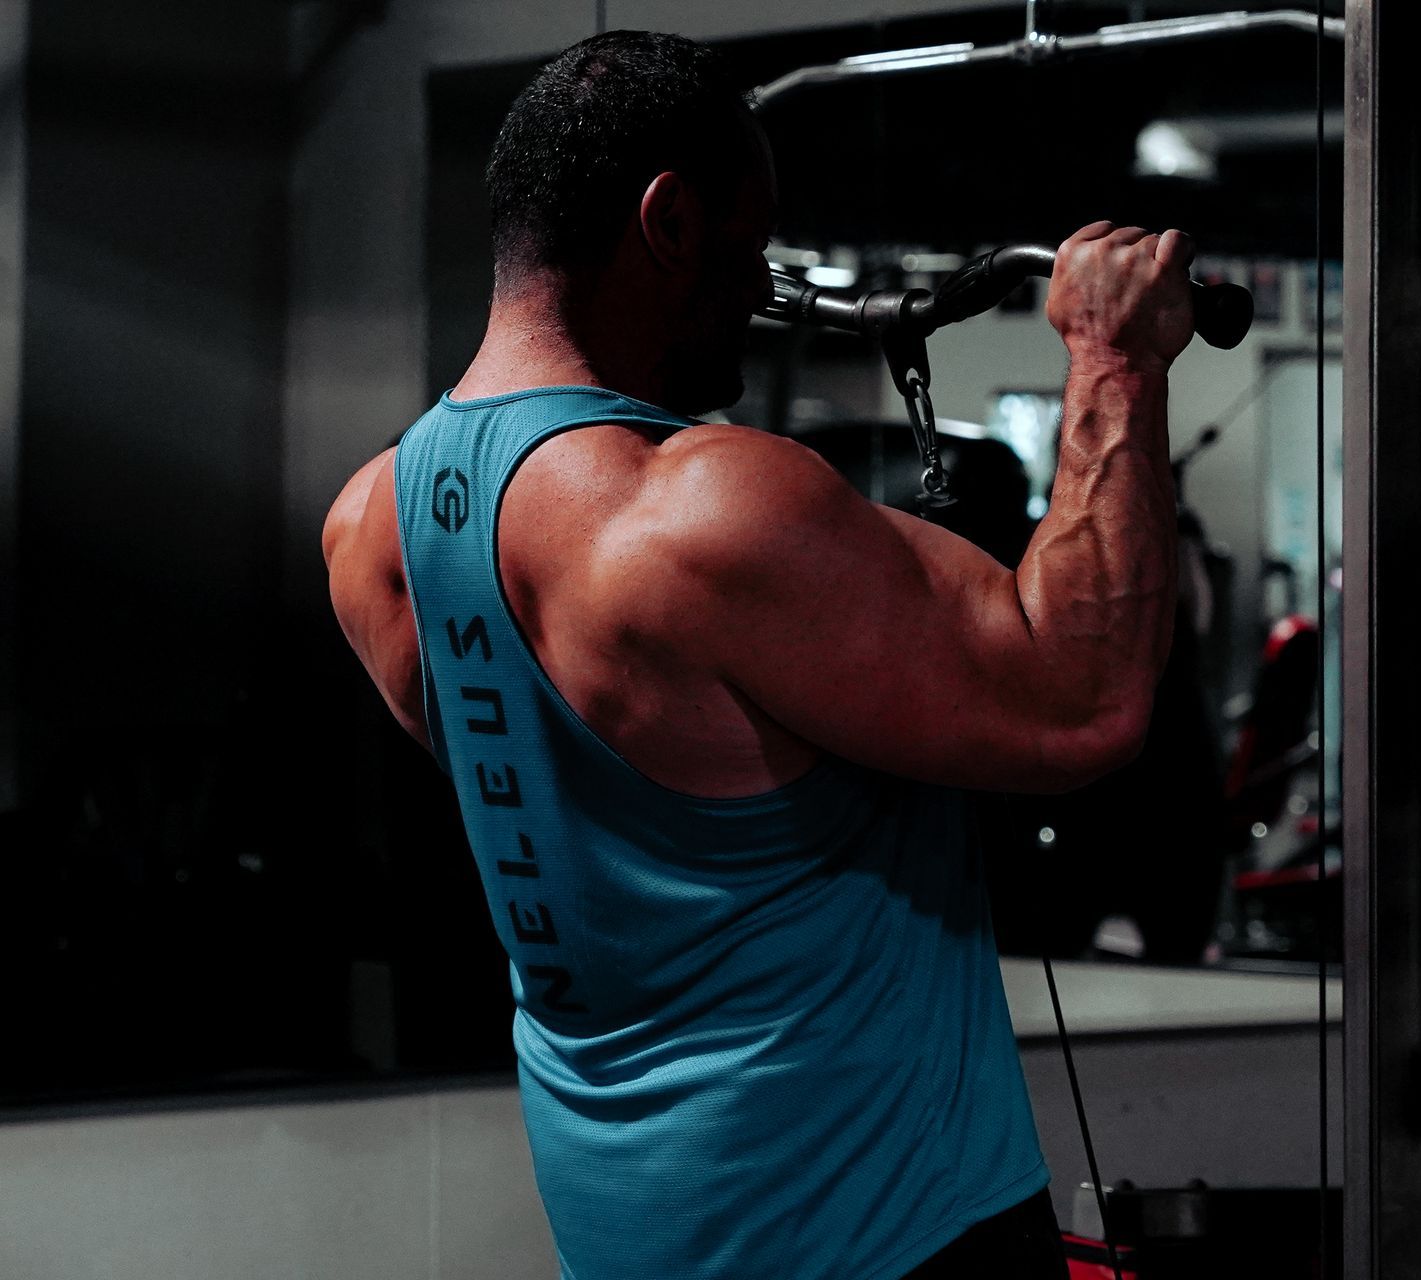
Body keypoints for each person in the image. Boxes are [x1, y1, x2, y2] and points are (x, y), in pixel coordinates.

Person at [321, 29, 1195, 1280]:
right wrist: (1114, 360)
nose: (764, 283)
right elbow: (1087, 700)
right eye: (750, 240)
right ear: (668, 221)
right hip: (892, 1241)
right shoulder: (704, 513)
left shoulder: (370, 535)